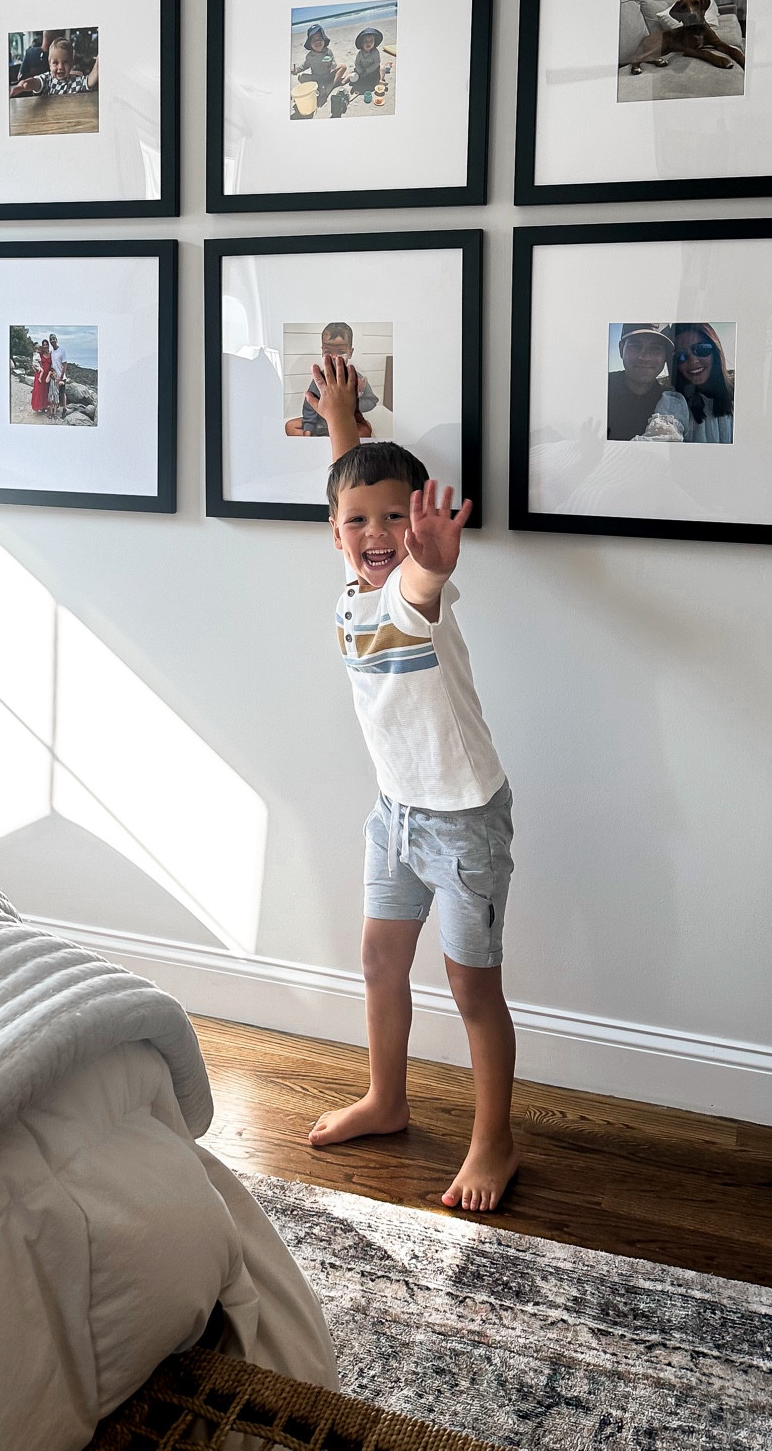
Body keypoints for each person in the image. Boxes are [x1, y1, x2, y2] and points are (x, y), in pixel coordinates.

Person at [304, 357, 516, 1212]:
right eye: (359, 522)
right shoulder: (353, 585)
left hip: (463, 822)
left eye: (397, 518)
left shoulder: (410, 595)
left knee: (472, 988)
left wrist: (428, 557)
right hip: (393, 817)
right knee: (379, 963)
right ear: (335, 533)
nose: (378, 531)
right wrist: (342, 420)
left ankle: (493, 1139)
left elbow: (416, 575)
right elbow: (356, 482)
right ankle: (386, 1101)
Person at [292, 322, 379, 439]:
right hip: (322, 423)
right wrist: (308, 429)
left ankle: (335, 438)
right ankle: (332, 438)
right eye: (328, 351)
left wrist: (355, 401)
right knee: (289, 426)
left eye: (341, 352)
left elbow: (372, 401)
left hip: (346, 424)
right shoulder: (319, 379)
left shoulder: (355, 378)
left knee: (366, 430)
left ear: (350, 353)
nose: (334, 356)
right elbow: (309, 406)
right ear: (322, 351)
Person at [606, 324, 690, 442]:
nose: (644, 357)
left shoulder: (672, 404)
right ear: (621, 349)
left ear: (666, 355)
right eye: (635, 346)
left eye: (655, 348)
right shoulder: (599, 389)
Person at [671, 324, 735, 443]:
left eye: (701, 349)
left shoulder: (741, 395)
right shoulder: (675, 402)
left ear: (715, 351)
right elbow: (662, 432)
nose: (693, 360)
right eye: (680, 355)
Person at [9, 38, 98, 99]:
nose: (60, 67)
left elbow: (90, 81)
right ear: (50, 64)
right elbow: (36, 82)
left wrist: (98, 64)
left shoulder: (75, 81)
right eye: (55, 63)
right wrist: (24, 85)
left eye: (65, 62)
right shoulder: (47, 79)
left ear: (71, 63)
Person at [291, 23, 347, 118]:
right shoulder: (310, 56)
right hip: (316, 78)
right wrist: (296, 70)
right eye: (314, 40)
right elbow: (305, 65)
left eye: (320, 39)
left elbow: (334, 65)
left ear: (324, 40)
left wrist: (330, 64)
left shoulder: (327, 52)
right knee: (301, 77)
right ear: (310, 44)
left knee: (343, 66)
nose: (317, 42)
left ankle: (331, 86)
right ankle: (329, 86)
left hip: (328, 76)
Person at [350, 27, 388, 107]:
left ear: (374, 43)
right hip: (362, 72)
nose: (368, 43)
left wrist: (367, 71)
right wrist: (360, 71)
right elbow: (357, 63)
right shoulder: (360, 54)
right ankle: (358, 82)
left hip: (372, 71)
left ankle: (380, 80)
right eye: (366, 41)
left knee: (382, 68)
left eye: (371, 41)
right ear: (362, 43)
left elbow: (376, 63)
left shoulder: (375, 52)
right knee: (353, 75)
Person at [48, 333, 67, 418]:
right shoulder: (51, 352)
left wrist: (61, 377)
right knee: (55, 393)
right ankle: (56, 407)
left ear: (57, 340)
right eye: (51, 339)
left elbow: (65, 364)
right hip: (54, 378)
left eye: (54, 339)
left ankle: (65, 409)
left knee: (62, 393)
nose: (52, 340)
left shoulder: (62, 350)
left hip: (61, 377)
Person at [30, 340, 52, 415]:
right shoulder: (40, 354)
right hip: (39, 375)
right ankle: (38, 406)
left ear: (48, 345)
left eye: (46, 344)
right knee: (38, 391)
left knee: (45, 392)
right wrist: (34, 367)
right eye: (44, 345)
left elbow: (53, 366)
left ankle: (44, 406)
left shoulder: (51, 354)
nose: (45, 346)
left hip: (46, 377)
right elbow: (34, 362)